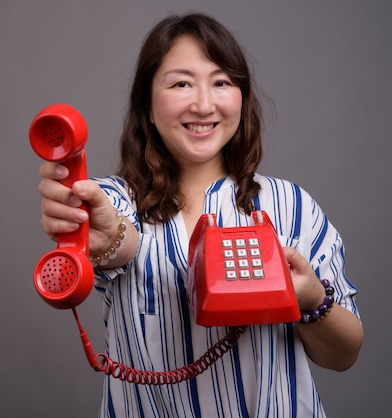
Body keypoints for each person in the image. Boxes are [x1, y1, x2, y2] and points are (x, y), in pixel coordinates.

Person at [36, 12, 363, 417]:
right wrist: (108, 237)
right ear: (148, 108)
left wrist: (312, 298)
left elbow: (343, 354)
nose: (204, 104)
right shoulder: (116, 198)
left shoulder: (291, 206)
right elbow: (121, 235)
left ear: (241, 98)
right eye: (181, 83)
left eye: (222, 82)